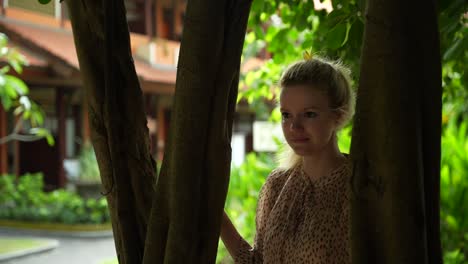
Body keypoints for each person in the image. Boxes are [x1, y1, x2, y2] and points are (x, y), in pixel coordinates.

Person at [220, 56, 356, 263]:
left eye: (309, 114)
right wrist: (219, 220)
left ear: (338, 115)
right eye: (286, 115)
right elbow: (258, 260)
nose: (294, 127)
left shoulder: (357, 186)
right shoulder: (277, 184)